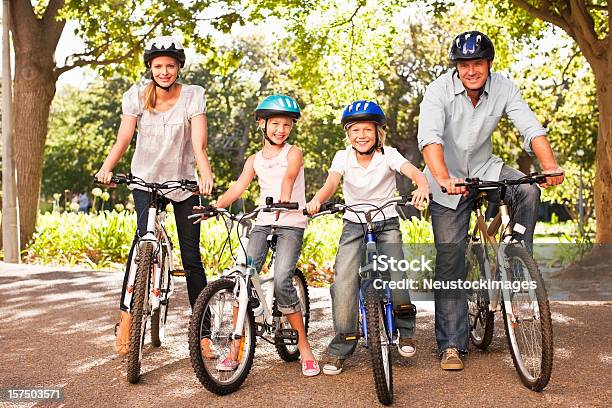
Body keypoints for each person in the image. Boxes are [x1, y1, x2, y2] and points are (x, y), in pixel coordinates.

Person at [417, 30, 564, 370]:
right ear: (456, 67)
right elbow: (430, 138)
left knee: (528, 188)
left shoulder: (503, 87)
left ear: (489, 64)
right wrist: (442, 178)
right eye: (464, 64)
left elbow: (531, 127)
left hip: (486, 169)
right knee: (450, 261)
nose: (471, 70)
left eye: (478, 63)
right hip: (447, 178)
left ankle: (516, 261)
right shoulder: (438, 91)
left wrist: (549, 165)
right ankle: (452, 345)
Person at [95, 35, 214, 357]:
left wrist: (205, 175)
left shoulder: (193, 96)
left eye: (170, 66)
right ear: (150, 68)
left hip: (184, 183)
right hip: (145, 180)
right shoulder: (136, 97)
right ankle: (127, 324)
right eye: (159, 66)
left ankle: (203, 335)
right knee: (139, 250)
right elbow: (124, 138)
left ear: (178, 69)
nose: (164, 71)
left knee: (191, 258)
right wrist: (106, 169)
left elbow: (198, 144)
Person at [198, 94, 320, 377]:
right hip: (263, 223)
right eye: (275, 123)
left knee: (281, 279)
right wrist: (214, 207)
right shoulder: (254, 159)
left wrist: (284, 201)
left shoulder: (294, 152)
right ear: (262, 125)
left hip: (291, 222)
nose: (281, 129)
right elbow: (239, 187)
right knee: (243, 276)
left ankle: (304, 347)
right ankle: (234, 351)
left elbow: (289, 176)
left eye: (287, 125)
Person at [306, 100, 430, 375]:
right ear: (348, 134)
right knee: (344, 282)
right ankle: (342, 345)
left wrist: (421, 185)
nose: (361, 135)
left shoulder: (389, 155)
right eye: (355, 130)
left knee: (397, 275)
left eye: (367, 130)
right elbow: (331, 183)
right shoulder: (342, 157)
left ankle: (406, 330)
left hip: (386, 222)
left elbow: (413, 172)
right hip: (354, 225)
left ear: (378, 133)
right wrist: (316, 200)